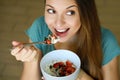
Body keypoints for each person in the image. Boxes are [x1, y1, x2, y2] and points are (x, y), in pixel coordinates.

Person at [11, 0, 120, 80]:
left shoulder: (106, 42)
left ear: (85, 13)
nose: (58, 23)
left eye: (70, 12)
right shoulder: (40, 28)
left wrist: (77, 75)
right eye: (51, 10)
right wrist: (32, 60)